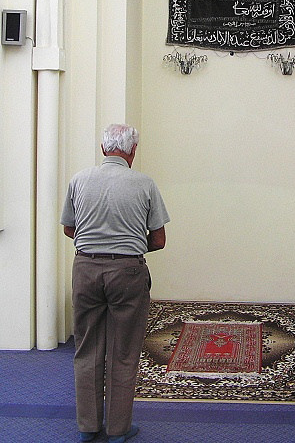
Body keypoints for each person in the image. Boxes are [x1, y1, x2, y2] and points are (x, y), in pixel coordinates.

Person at [61, 124, 170, 443]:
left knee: (87, 348)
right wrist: (128, 246)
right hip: (128, 273)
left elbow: (70, 229)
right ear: (133, 151)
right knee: (124, 351)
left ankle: (88, 426)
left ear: (102, 148)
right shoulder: (145, 184)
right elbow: (160, 240)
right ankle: (119, 429)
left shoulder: (79, 180)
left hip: (85, 270)